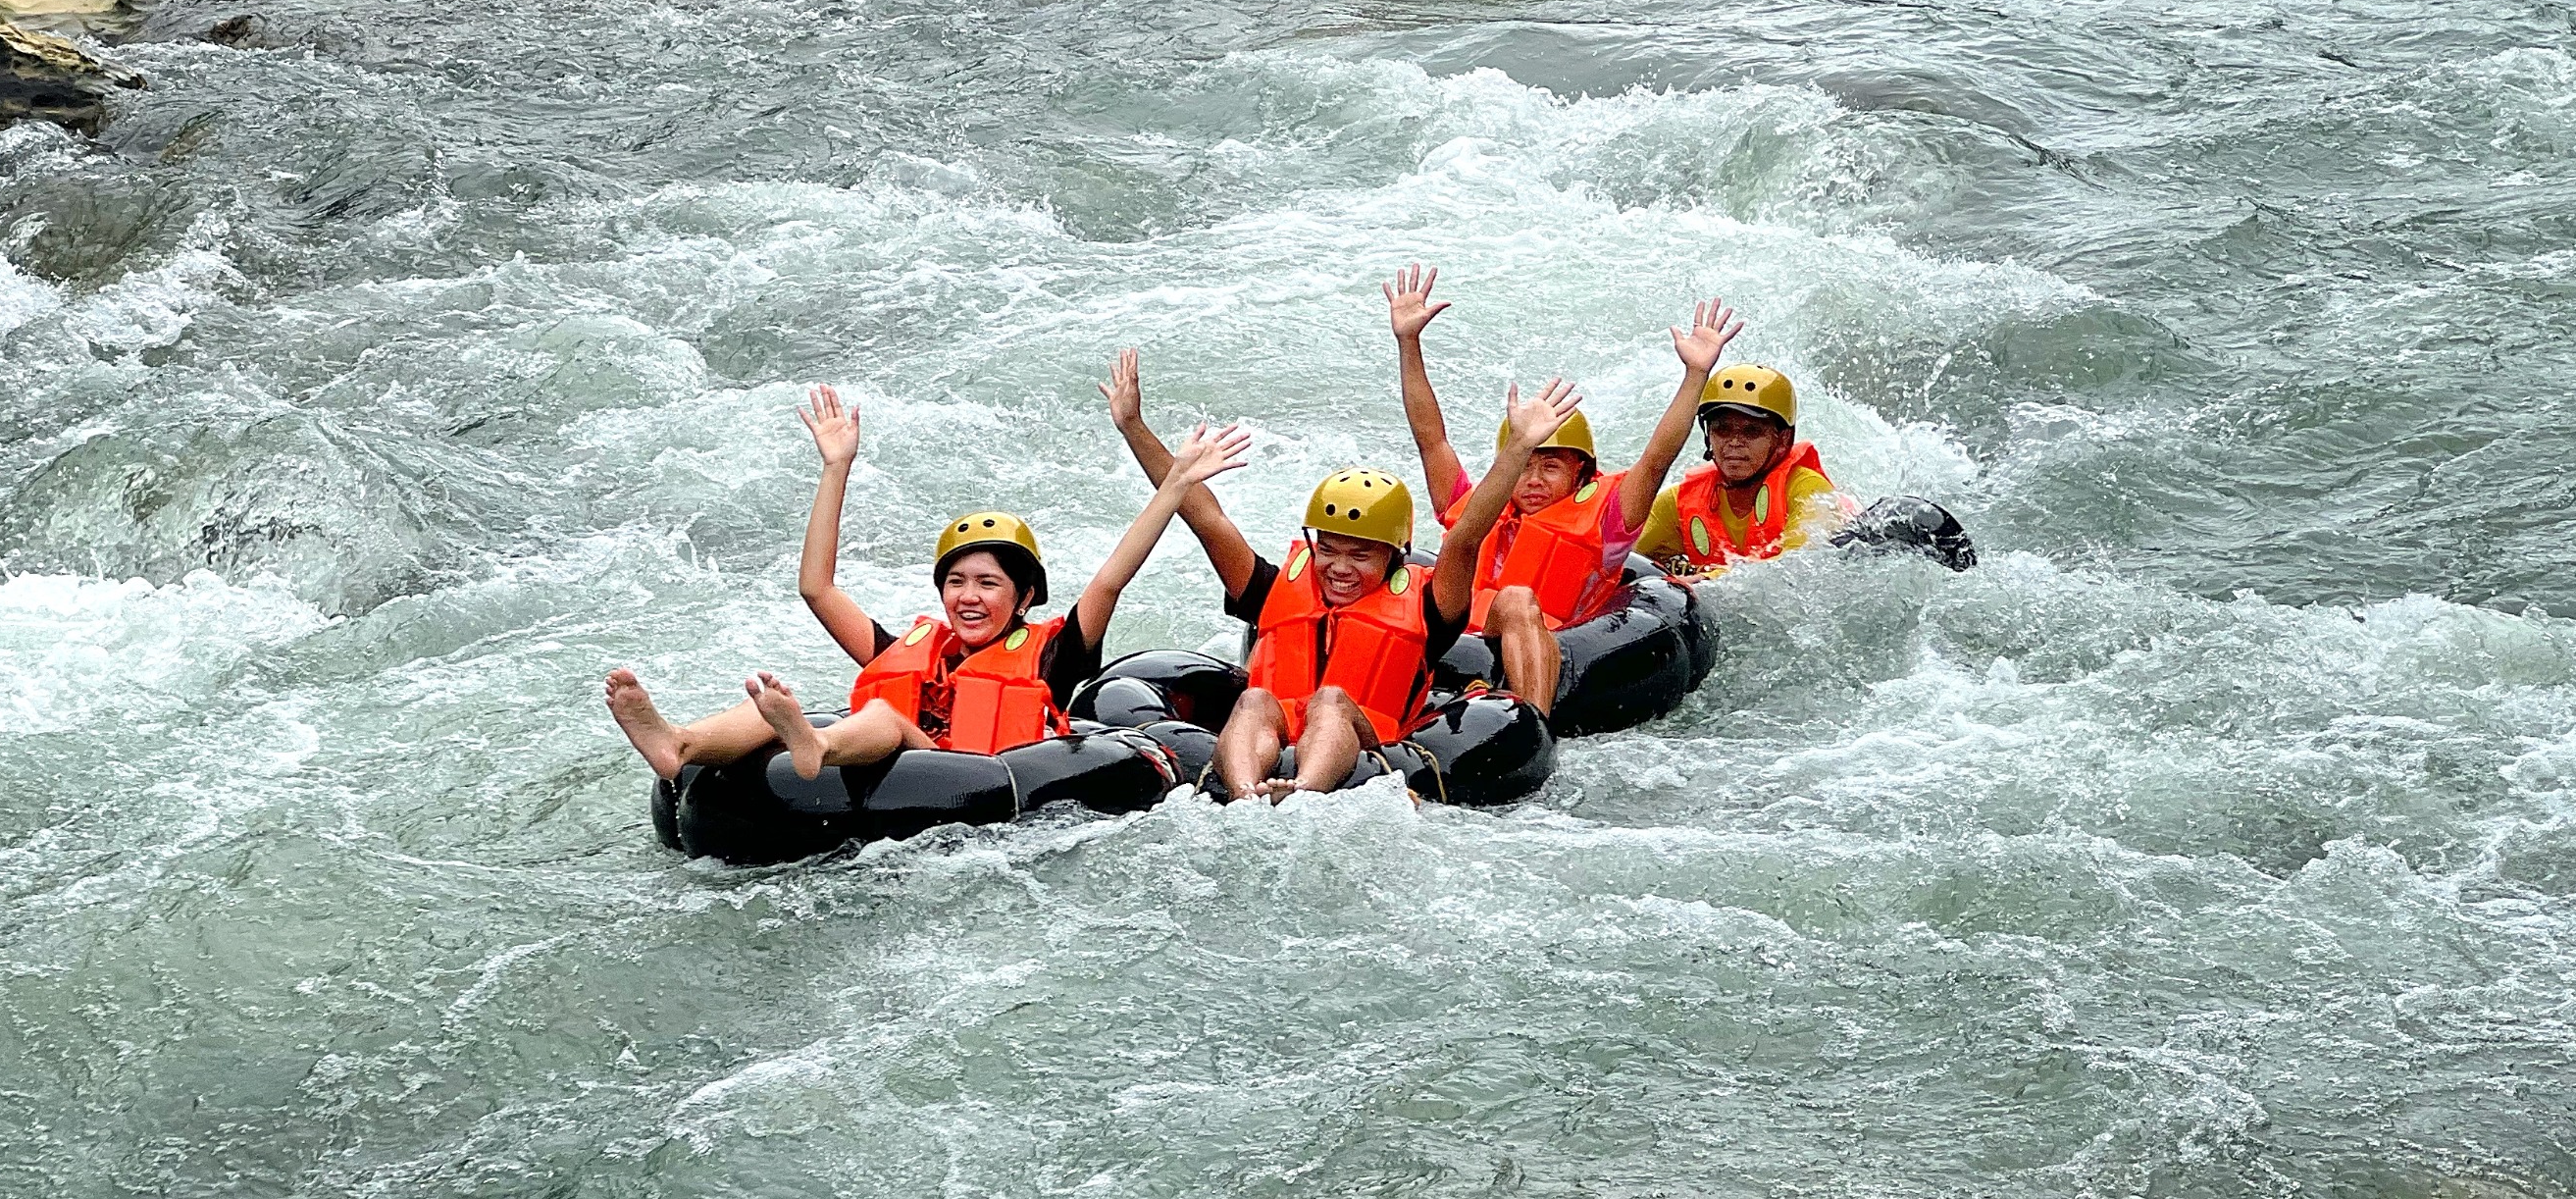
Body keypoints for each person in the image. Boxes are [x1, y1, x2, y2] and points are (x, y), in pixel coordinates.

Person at [606, 384, 1250, 783]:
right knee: (795, 706)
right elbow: (816, 588)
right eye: (957, 581)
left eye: (990, 583)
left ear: (1024, 597)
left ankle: (815, 743)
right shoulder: (915, 648)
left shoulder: (1056, 653)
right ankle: (679, 742)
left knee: (880, 713)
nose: (969, 595)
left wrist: (1174, 486)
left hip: (991, 778)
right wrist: (836, 467)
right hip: (907, 760)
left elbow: (1113, 575)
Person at [1102, 347, 1585, 802]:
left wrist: (1519, 448)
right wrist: (1134, 428)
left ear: (1396, 557)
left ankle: (1303, 792)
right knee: (1253, 701)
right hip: (1275, 730)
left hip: (1369, 739)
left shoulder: (1428, 606)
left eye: (1360, 556)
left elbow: (1464, 539)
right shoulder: (1274, 589)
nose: (1339, 567)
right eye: (1328, 550)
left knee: (1331, 700)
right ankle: (1247, 796)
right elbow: (1206, 518)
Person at [1382, 263, 1743, 711]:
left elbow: (1656, 460)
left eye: (1550, 466)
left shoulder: (1609, 519)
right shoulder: (1478, 506)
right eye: (1523, 465)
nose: (1532, 480)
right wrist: (1409, 343)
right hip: (1457, 651)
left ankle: (1529, 721)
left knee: (1515, 600)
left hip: (1558, 649)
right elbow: (1430, 438)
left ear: (1580, 473)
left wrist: (1695, 375)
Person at [1642, 363, 1849, 573]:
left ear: (1782, 440)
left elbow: (1802, 565)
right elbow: (1615, 552)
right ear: (1709, 435)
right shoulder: (1679, 503)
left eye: (1751, 431)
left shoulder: (1809, 489)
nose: (1734, 442)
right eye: (1722, 429)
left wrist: (1710, 580)